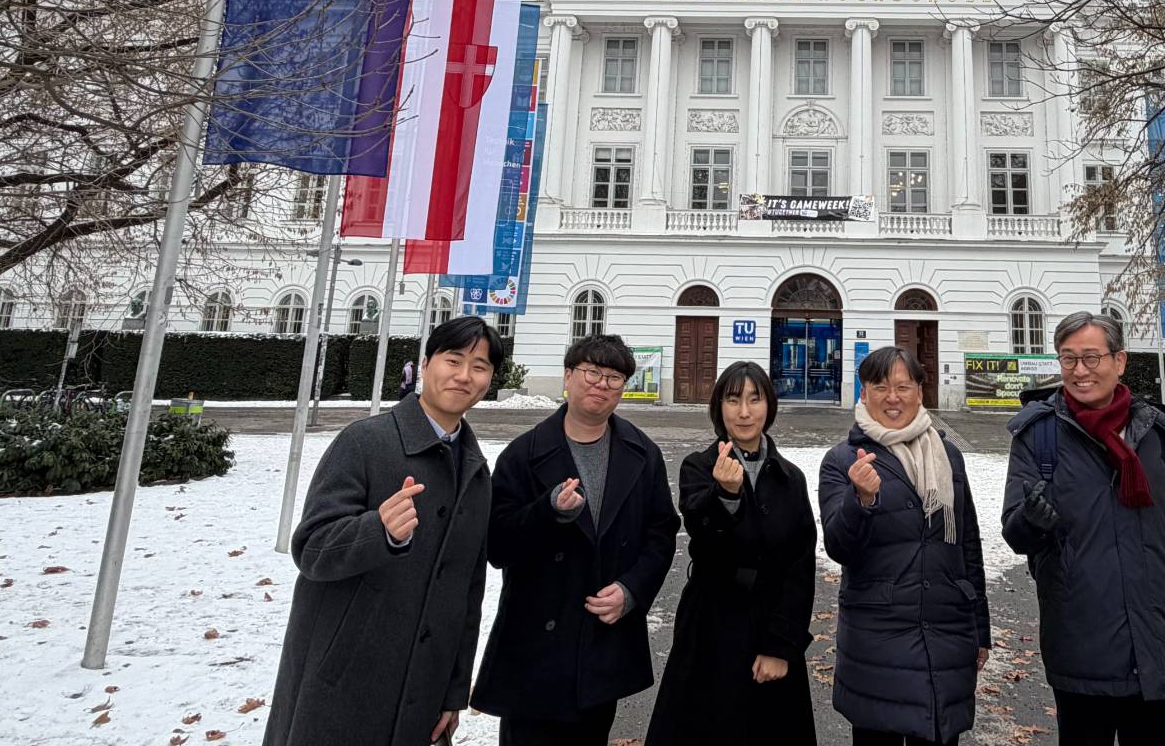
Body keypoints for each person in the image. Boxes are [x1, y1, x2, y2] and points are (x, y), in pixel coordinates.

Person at [263, 315, 502, 746]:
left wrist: (452, 691)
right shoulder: (364, 443)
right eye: (453, 360)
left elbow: (468, 594)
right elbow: (312, 549)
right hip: (342, 684)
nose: (465, 375)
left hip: (422, 694)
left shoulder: (476, 472)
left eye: (480, 366)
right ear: (425, 365)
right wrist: (379, 531)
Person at [1002, 311, 1165, 746]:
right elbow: (1015, 533)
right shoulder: (1038, 435)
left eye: (1091, 358)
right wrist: (1031, 522)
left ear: (1119, 361)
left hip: (1162, 644)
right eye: (1068, 360)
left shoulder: (1154, 435)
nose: (1080, 371)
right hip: (1084, 647)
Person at [472, 333, 680, 745]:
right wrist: (548, 512)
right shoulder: (524, 453)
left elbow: (661, 534)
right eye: (592, 372)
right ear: (569, 376)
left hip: (600, 641)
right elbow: (496, 545)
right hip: (535, 647)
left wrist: (631, 590)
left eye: (614, 377)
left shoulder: (642, 453)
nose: (601, 384)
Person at [819, 346, 991, 746]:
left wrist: (979, 628)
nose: (892, 397)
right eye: (880, 387)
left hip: (945, 633)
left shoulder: (948, 455)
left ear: (919, 390)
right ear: (863, 393)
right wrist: (860, 500)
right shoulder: (843, 459)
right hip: (878, 639)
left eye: (902, 386)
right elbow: (839, 546)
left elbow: (967, 545)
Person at [646, 362, 817, 746]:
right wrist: (724, 495)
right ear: (719, 407)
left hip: (771, 623)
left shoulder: (790, 477)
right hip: (711, 627)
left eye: (755, 400)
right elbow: (701, 535)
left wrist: (780, 646)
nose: (744, 412)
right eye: (734, 399)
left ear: (769, 407)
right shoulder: (699, 466)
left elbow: (800, 564)